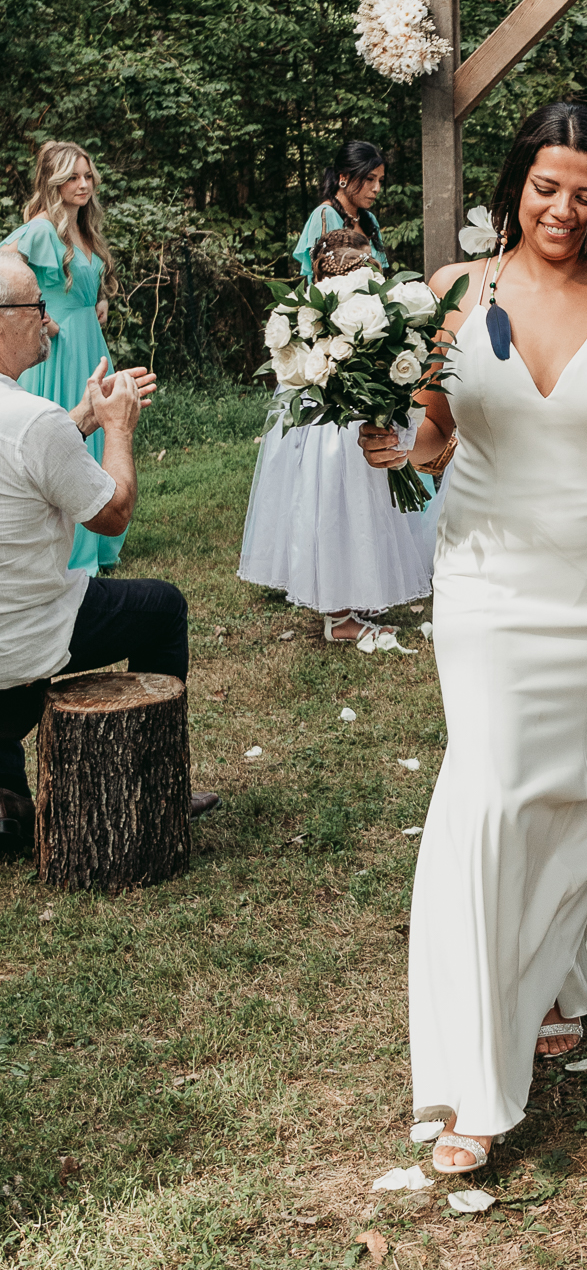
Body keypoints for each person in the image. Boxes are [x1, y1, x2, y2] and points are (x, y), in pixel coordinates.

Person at [357, 102, 587, 1176]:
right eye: (545, 186)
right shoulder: (452, 295)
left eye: (585, 189)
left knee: (576, 782)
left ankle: (560, 972)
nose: (563, 207)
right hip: (485, 577)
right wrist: (396, 446)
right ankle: (475, 1079)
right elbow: (433, 433)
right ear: (514, 186)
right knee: (494, 787)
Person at [0, 253, 218, 857]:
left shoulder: (33, 422)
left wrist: (86, 417)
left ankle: (8, 800)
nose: (49, 324)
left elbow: (30, 459)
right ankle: (157, 783)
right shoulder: (30, 419)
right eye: (37, 310)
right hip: (24, 630)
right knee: (162, 606)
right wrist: (117, 430)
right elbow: (113, 511)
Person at [238, 226, 436, 645]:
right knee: (333, 508)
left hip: (359, 422)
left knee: (365, 509)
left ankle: (359, 593)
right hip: (330, 428)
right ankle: (339, 615)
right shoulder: (312, 321)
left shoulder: (353, 310)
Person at [3, 141, 128, 575]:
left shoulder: (84, 229)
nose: (83, 184)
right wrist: (43, 318)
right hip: (58, 351)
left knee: (98, 430)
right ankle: (70, 548)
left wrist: (99, 300)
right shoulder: (37, 230)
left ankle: (99, 541)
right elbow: (5, 268)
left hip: (89, 341)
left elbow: (85, 281)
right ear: (53, 182)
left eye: (88, 176)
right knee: (67, 430)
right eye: (73, 177)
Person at [293, 139, 390, 279]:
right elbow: (320, 281)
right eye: (369, 179)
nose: (377, 188)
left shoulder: (370, 220)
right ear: (343, 177)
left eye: (380, 181)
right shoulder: (325, 215)